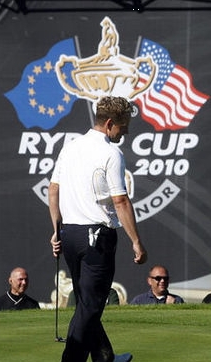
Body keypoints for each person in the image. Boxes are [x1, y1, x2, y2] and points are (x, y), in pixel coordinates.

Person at [49, 96, 148, 362]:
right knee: (90, 307)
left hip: (69, 235)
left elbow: (53, 189)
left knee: (85, 303)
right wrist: (136, 242)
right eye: (122, 126)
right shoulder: (111, 153)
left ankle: (105, 357)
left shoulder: (70, 147)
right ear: (108, 124)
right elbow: (120, 201)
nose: (125, 131)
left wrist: (56, 230)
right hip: (97, 238)